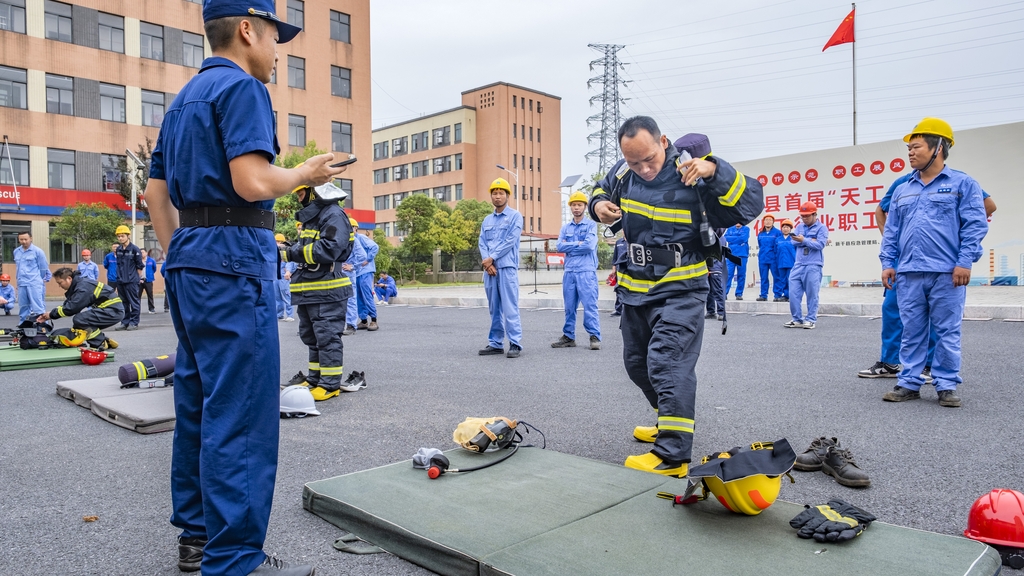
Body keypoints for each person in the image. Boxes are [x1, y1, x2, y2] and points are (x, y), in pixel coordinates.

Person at [143, 0, 341, 572]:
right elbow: (252, 180)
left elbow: (156, 195)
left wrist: (181, 252)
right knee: (242, 410)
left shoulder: (183, 100)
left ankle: (198, 536)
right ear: (249, 30)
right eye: (276, 37)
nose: (279, 51)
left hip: (190, 256)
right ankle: (234, 560)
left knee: (199, 401)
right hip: (232, 256)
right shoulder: (243, 88)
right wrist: (305, 173)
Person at [588, 123, 762, 477]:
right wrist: (598, 205)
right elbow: (600, 190)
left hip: (681, 286)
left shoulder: (693, 174)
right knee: (637, 364)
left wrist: (714, 170)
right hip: (636, 288)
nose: (644, 169)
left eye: (649, 159)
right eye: (635, 162)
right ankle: (667, 420)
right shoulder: (623, 173)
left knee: (666, 361)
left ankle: (672, 456)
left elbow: (751, 204)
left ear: (663, 142)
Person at [879, 118, 987, 408]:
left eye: (916, 147)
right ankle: (909, 382)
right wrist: (888, 262)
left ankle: (946, 384)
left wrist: (965, 261)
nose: (910, 152)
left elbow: (975, 225)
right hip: (909, 272)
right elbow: (892, 230)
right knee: (912, 330)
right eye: (909, 148)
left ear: (938, 147)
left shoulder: (962, 184)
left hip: (947, 273)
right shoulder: (903, 189)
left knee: (946, 331)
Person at [859, 174, 996, 380]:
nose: (912, 156)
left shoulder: (957, 181)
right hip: (907, 260)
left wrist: (953, 232)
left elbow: (988, 206)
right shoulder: (903, 184)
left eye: (917, 151)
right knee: (893, 308)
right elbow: (881, 210)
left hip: (940, 261)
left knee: (938, 316)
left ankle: (931, 367)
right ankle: (891, 362)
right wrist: (894, 243)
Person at [285, 181, 355, 401]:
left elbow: (329, 248)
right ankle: (315, 378)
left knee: (327, 337)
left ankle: (330, 384)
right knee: (312, 337)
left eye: (301, 193)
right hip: (311, 288)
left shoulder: (333, 214)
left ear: (315, 192)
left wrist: (291, 253)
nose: (299, 198)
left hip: (327, 289)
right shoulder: (315, 217)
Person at [478, 177, 524, 358]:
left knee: (510, 307)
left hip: (506, 268)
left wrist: (492, 258)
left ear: (507, 195)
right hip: (490, 270)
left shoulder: (515, 216)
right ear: (491, 196)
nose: (497, 196)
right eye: (495, 193)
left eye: (501, 193)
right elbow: (482, 242)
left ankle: (515, 343)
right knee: (494, 308)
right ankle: (496, 343)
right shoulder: (487, 220)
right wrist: (487, 261)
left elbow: (510, 241)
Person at [552, 191, 601, 350]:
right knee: (569, 307)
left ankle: (594, 336)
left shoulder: (591, 225)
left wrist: (570, 246)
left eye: (579, 205)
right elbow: (559, 246)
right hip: (570, 272)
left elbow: (589, 246)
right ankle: (569, 336)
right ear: (570, 207)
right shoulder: (565, 228)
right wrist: (578, 244)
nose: (576, 208)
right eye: (573, 205)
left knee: (590, 305)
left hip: (586, 272)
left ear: (585, 207)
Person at [36, 267, 122, 349]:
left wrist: (51, 314)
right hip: (111, 310)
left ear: (69, 278)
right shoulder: (78, 285)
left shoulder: (82, 287)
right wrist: (50, 314)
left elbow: (72, 308)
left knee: (80, 320)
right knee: (78, 326)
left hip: (113, 311)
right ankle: (104, 340)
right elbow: (68, 305)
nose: (59, 286)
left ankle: (100, 342)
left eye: (60, 282)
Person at [784, 203, 829, 329]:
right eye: (802, 216)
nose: (804, 218)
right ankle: (797, 319)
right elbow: (793, 241)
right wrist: (810, 240)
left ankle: (810, 319)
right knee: (793, 293)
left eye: (807, 216)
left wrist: (804, 240)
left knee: (812, 294)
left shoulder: (822, 228)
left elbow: (820, 245)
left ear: (815, 214)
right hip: (798, 264)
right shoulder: (799, 226)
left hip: (813, 265)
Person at [13, 231, 49, 323]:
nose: (23, 241)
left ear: (31, 239)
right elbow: (18, 268)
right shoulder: (16, 251)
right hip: (22, 283)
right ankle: (24, 325)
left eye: (26, 239)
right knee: (23, 307)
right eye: (21, 239)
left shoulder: (38, 252)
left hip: (34, 283)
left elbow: (43, 268)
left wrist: (37, 279)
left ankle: (43, 326)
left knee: (38, 307)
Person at [113, 225, 144, 331]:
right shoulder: (118, 249)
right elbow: (118, 265)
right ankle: (125, 322)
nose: (120, 238)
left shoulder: (135, 249)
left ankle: (134, 322)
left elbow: (139, 266)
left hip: (131, 281)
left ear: (128, 236)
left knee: (134, 302)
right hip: (121, 281)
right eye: (119, 236)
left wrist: (136, 279)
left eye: (122, 236)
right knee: (123, 303)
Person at [341, 217, 366, 335]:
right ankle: (343, 325)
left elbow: (362, 256)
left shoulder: (353, 240)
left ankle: (351, 325)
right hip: (339, 272)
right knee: (340, 299)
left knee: (350, 299)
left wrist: (352, 266)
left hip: (347, 273)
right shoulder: (341, 239)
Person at [355, 231, 379, 330]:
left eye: (352, 227)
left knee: (367, 295)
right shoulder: (349, 239)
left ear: (356, 228)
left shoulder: (361, 237)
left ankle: (374, 320)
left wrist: (368, 260)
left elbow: (375, 247)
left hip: (365, 270)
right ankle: (364, 320)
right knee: (358, 297)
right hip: (356, 271)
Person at [756, 214, 782, 301]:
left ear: (773, 222)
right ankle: (763, 295)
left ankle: (777, 295)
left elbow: (778, 246)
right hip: (763, 258)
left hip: (773, 258)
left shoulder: (777, 233)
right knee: (763, 277)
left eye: (770, 220)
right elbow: (760, 245)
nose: (768, 221)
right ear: (763, 222)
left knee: (776, 276)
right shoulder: (761, 233)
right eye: (766, 220)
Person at [723, 223, 749, 300]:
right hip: (731, 255)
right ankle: (724, 293)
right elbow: (726, 238)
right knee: (728, 274)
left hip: (742, 255)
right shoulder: (730, 229)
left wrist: (732, 239)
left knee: (741, 275)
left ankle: (739, 294)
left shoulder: (746, 229)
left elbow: (743, 239)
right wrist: (738, 238)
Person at [705, 229, 726, 320]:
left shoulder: (720, 238)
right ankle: (711, 311)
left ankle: (721, 312)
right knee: (708, 291)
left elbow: (715, 254)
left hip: (715, 267)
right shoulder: (710, 237)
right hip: (708, 268)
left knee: (717, 290)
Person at [776, 219, 796, 302]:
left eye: (787, 227)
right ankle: (785, 295)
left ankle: (792, 296)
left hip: (791, 263)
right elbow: (775, 251)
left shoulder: (794, 239)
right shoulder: (778, 239)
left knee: (791, 280)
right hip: (781, 263)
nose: (785, 229)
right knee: (783, 280)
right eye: (784, 227)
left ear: (790, 229)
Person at [610, 236, 626, 316]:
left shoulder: (633, 240)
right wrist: (614, 268)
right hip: (619, 270)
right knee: (619, 289)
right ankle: (618, 310)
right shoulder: (619, 242)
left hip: (629, 270)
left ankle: (627, 310)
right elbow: (615, 257)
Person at [140, 249, 157, 313]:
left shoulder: (151, 260)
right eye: (140, 252)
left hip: (148, 280)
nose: (142, 254)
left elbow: (154, 269)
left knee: (150, 295)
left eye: (143, 252)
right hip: (139, 280)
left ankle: (151, 308)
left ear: (146, 253)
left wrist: (150, 274)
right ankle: (137, 309)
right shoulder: (137, 260)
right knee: (137, 296)